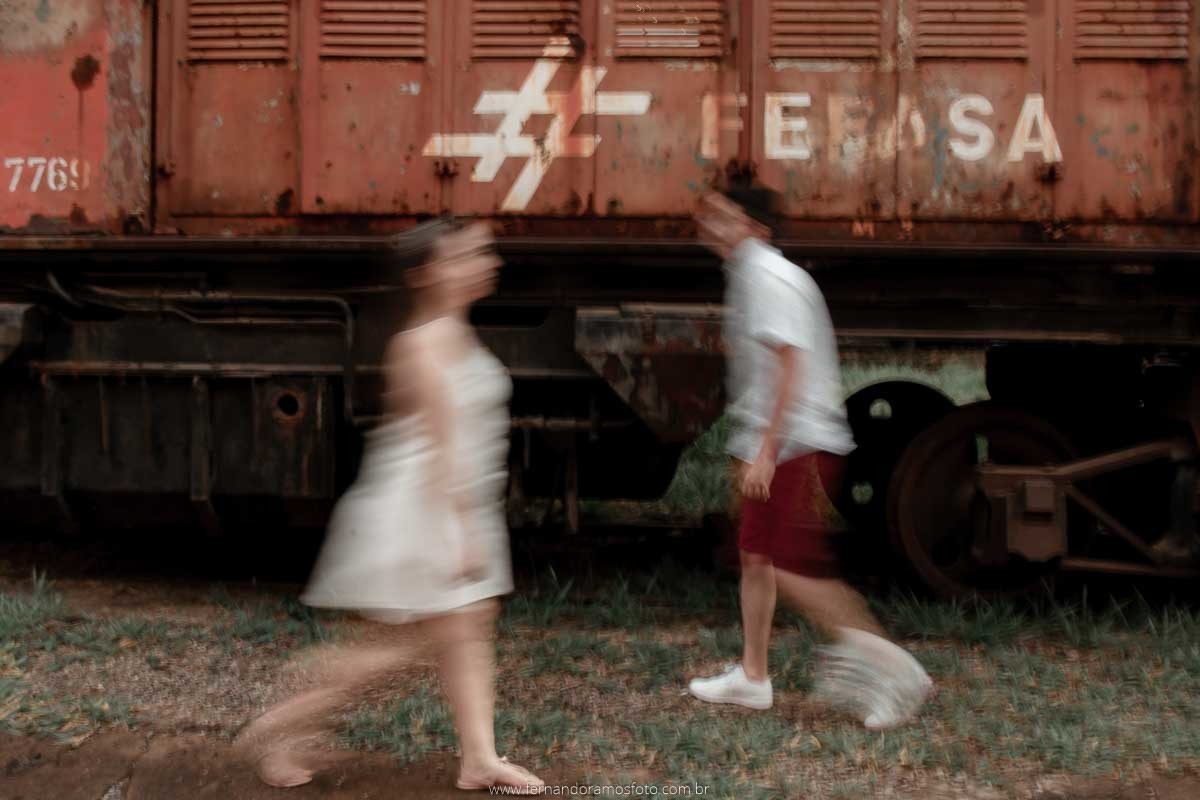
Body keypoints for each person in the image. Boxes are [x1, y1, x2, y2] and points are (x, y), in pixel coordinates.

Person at [235, 220, 545, 795]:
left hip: (457, 503)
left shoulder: (454, 332)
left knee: (466, 631)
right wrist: (462, 530)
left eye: (484, 252)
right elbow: (442, 445)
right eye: (469, 255)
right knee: (394, 646)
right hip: (428, 507)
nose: (486, 262)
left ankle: (479, 758)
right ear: (430, 272)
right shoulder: (420, 343)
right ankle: (280, 727)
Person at [687, 188, 932, 730]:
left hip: (796, 443)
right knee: (755, 555)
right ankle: (752, 677)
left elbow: (791, 364)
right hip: (777, 441)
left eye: (723, 215)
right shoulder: (752, 272)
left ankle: (894, 670)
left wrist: (767, 452)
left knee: (789, 568)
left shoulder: (766, 277)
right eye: (709, 214)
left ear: (756, 227)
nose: (710, 224)